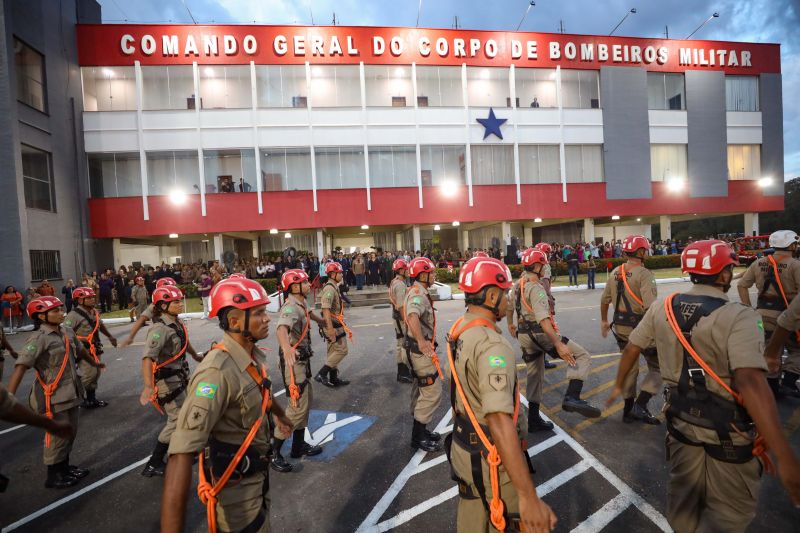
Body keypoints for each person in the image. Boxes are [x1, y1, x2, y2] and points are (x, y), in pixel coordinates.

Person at [607, 240, 800, 532]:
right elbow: (750, 380)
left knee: (683, 509)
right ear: (723, 275)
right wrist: (784, 456)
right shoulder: (741, 316)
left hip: (681, 427)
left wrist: (619, 386)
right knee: (728, 518)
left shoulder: (663, 307)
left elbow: (632, 348)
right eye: (730, 270)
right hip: (729, 434)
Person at [161, 277, 293, 533]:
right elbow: (181, 454)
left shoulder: (249, 355)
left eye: (265, 311)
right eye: (259, 313)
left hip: (257, 478)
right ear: (234, 321)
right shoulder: (216, 372)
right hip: (236, 492)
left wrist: (280, 415)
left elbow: (262, 387)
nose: (267, 318)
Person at [447, 256, 557, 533]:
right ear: (492, 295)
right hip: (490, 458)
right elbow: (498, 418)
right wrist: (529, 498)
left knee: (474, 512)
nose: (508, 300)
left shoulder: (459, 328)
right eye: (506, 293)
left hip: (464, 447)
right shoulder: (491, 346)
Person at [6, 296, 104, 488]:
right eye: (56, 311)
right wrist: (9, 396)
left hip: (71, 391)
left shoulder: (66, 331)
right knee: (57, 436)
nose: (61, 313)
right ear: (41, 316)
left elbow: (80, 350)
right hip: (52, 395)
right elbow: (21, 365)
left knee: (70, 431)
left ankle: (64, 467)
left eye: (61, 309)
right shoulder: (38, 339)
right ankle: (54, 475)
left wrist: (94, 363)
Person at [508, 248, 600, 431]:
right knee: (581, 356)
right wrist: (558, 344)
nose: (544, 268)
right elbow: (543, 320)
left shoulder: (517, 285)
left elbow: (509, 306)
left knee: (535, 376)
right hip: (541, 335)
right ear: (535, 266)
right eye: (542, 265)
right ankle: (572, 397)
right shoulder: (536, 288)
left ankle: (533, 420)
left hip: (524, 336)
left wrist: (510, 324)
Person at [138, 285, 202, 477]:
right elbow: (148, 358)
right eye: (175, 302)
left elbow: (185, 342)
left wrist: (197, 356)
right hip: (167, 382)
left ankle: (182, 451)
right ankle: (153, 463)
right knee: (176, 420)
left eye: (179, 300)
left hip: (181, 376)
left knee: (190, 412)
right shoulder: (159, 329)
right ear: (163, 305)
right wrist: (149, 386)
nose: (179, 304)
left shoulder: (176, 323)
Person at [599, 235, 661, 424]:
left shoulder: (615, 272)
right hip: (641, 329)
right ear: (641, 252)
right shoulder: (645, 274)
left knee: (630, 368)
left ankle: (628, 411)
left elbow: (604, 300)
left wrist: (603, 321)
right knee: (659, 366)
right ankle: (640, 405)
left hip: (621, 328)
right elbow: (651, 307)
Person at [271, 269, 325, 473]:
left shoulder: (301, 303)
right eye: (304, 282)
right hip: (294, 365)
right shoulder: (290, 307)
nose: (308, 283)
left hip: (303, 363)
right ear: (293, 286)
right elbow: (281, 328)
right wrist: (286, 349)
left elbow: (309, 313)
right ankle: (274, 452)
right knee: (295, 409)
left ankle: (298, 446)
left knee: (304, 404)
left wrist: (324, 322)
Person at [737, 229, 800, 397]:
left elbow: (742, 285)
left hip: (762, 315)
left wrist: (749, 309)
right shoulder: (795, 264)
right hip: (789, 316)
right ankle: (788, 382)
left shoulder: (758, 263)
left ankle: (771, 389)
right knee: (796, 349)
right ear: (791, 245)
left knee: (770, 351)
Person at [403, 257, 443, 452]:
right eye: (431, 272)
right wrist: (421, 340)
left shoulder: (419, 291)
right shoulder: (418, 294)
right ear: (422, 274)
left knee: (421, 389)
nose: (434, 275)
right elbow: (412, 316)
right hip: (419, 352)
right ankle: (417, 437)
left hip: (415, 350)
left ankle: (421, 430)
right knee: (431, 391)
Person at [65, 288, 117, 409]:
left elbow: (100, 325)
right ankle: (72, 398)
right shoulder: (73, 315)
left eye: (93, 297)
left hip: (95, 347)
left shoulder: (94, 312)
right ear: (80, 300)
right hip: (82, 349)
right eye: (88, 298)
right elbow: (66, 334)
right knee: (89, 374)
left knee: (96, 374)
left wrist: (110, 336)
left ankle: (91, 399)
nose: (92, 299)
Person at [314, 262, 352, 388]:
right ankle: (321, 373)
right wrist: (330, 330)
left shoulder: (334, 286)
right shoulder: (330, 289)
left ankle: (333, 378)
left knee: (332, 352)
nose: (342, 275)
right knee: (342, 350)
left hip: (335, 324)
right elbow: (325, 309)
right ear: (333, 274)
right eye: (340, 273)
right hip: (333, 326)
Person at [389, 259, 413, 383]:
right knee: (404, 345)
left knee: (400, 345)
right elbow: (401, 306)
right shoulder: (399, 285)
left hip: (397, 318)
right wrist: (407, 321)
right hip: (401, 319)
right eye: (406, 269)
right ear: (400, 270)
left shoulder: (395, 282)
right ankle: (404, 372)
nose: (408, 271)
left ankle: (401, 373)